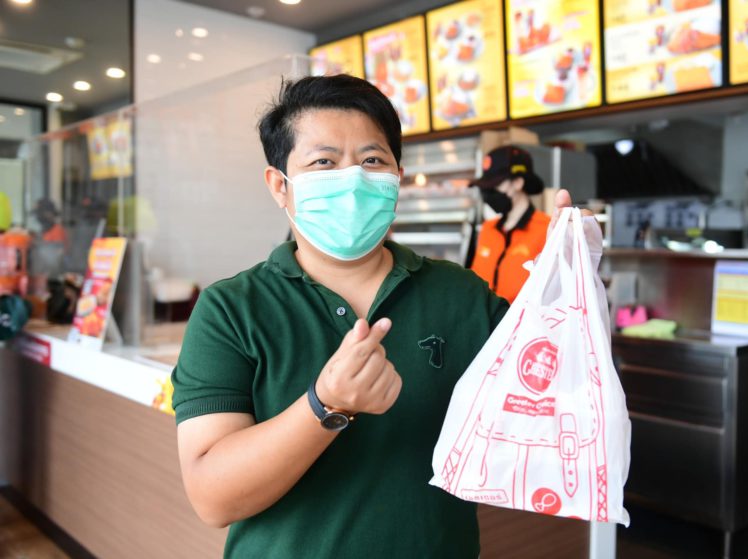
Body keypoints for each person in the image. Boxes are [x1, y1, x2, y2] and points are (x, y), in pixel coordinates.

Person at [171, 75, 584, 558]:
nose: (353, 180)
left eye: (372, 160)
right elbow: (212, 498)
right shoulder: (230, 310)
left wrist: (567, 301)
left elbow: (555, 411)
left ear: (397, 178)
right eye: (324, 162)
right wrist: (325, 405)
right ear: (280, 186)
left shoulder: (461, 294)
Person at [468, 145, 551, 303]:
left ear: (518, 182)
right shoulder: (488, 229)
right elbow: (474, 283)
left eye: (495, 185)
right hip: (481, 318)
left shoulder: (547, 229)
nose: (489, 193)